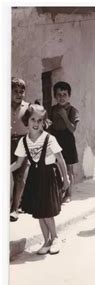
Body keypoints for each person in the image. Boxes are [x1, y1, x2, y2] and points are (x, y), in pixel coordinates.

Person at [10, 104, 70, 255]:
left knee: (47, 211)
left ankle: (55, 238)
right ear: (27, 121)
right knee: (39, 212)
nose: (36, 124)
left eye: (40, 120)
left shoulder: (49, 139)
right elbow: (18, 163)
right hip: (35, 178)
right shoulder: (24, 142)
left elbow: (61, 160)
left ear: (44, 122)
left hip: (49, 176)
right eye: (33, 120)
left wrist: (66, 179)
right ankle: (46, 241)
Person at [48, 81, 79, 203]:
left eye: (64, 94)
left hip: (67, 140)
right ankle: (58, 192)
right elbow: (49, 125)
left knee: (68, 168)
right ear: (55, 96)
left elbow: (72, 129)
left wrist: (64, 116)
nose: (61, 97)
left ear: (69, 96)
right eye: (59, 94)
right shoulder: (52, 109)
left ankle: (69, 194)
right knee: (55, 167)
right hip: (55, 140)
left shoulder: (73, 110)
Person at [10, 77, 30, 222]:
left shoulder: (28, 108)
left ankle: (15, 209)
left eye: (21, 91)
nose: (19, 94)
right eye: (15, 91)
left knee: (19, 177)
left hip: (22, 143)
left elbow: (37, 125)